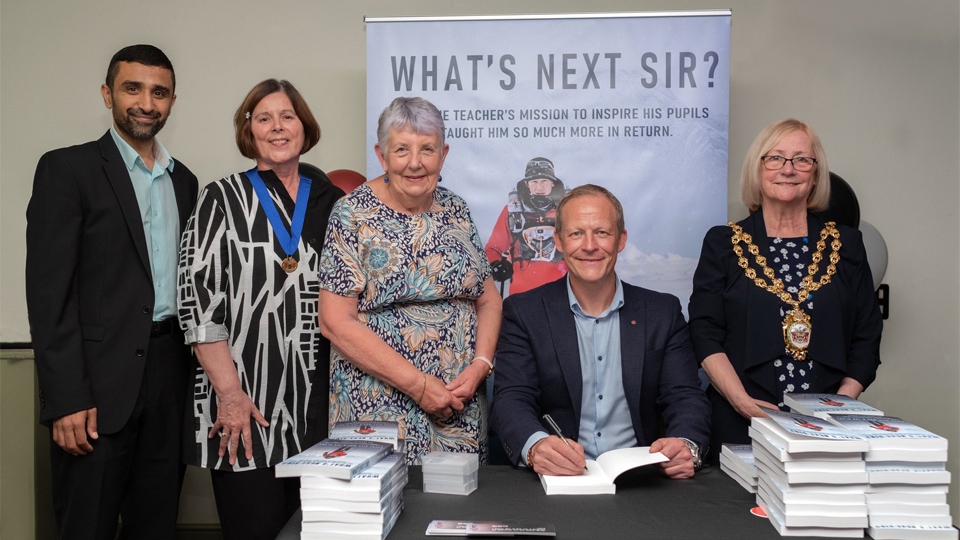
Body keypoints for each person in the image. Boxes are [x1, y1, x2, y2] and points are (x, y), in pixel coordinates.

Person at [25, 45, 197, 540]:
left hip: (169, 381)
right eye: (132, 88)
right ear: (108, 94)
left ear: (172, 101)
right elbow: (48, 295)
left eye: (159, 92)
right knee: (87, 526)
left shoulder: (185, 182)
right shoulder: (67, 170)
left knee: (156, 525)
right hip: (94, 390)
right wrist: (65, 399)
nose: (146, 102)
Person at [177, 79, 343, 539]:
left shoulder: (334, 203)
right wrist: (229, 395)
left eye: (287, 116)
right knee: (255, 530)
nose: (277, 127)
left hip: (321, 409)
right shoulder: (219, 199)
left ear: (304, 127)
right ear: (248, 131)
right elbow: (198, 303)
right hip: (246, 407)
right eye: (263, 118)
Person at [318, 97, 502, 464]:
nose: (415, 162)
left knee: (457, 518)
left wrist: (481, 364)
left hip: (458, 409)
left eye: (427, 149)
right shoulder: (351, 214)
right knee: (385, 516)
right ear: (382, 155)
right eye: (402, 149)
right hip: (377, 410)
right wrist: (419, 386)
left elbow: (489, 299)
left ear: (444, 154)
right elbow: (335, 322)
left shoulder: (456, 209)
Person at [688, 118, 882, 463]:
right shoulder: (722, 243)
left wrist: (839, 406)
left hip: (829, 425)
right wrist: (740, 401)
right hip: (741, 421)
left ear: (816, 173)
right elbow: (704, 332)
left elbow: (867, 335)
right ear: (757, 168)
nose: (788, 169)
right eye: (775, 158)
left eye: (801, 159)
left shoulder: (847, 244)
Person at [491, 184, 710, 479]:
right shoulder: (524, 312)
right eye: (576, 233)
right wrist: (535, 447)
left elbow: (685, 396)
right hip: (558, 481)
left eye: (602, 233)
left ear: (621, 240)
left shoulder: (662, 312)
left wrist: (686, 445)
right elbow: (511, 398)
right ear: (558, 241)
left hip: (643, 481)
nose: (590, 245)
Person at [485, 157, 568, 296]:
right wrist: (496, 265)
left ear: (552, 183)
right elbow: (493, 249)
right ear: (527, 183)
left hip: (562, 294)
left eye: (544, 181)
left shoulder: (567, 210)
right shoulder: (512, 211)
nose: (539, 187)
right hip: (521, 297)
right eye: (534, 182)